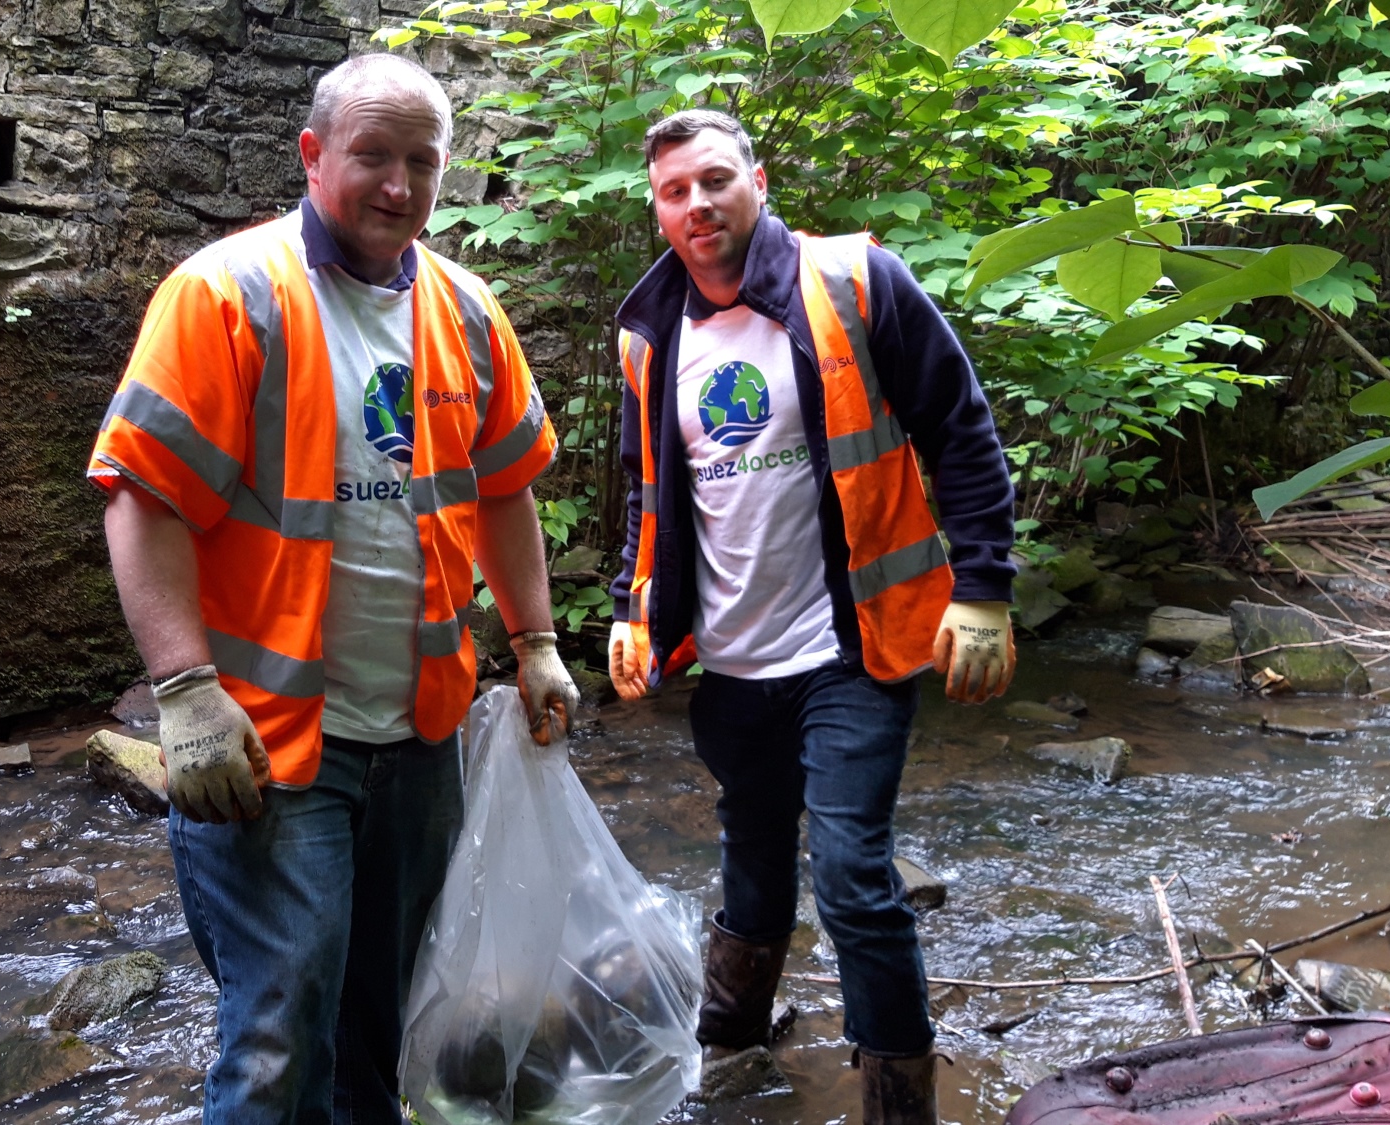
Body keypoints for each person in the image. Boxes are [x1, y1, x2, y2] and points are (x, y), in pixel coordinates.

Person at [89, 53, 578, 1124]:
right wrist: (182, 692)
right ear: (313, 156)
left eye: (421, 161)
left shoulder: (464, 308)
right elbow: (141, 495)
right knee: (276, 1039)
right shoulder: (226, 294)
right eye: (373, 155)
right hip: (268, 743)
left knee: (387, 1023)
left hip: (419, 739)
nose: (398, 185)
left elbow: (503, 492)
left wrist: (534, 640)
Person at [604, 109, 1017, 1124]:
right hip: (731, 662)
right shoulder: (647, 332)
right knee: (749, 862)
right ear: (655, 208)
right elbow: (643, 488)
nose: (695, 205)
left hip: (854, 648)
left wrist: (983, 589)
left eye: (713, 180)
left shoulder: (856, 283)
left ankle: (896, 1103)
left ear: (757, 177)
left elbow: (959, 429)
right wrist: (627, 604)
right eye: (673, 191)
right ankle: (731, 1060)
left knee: (848, 876)